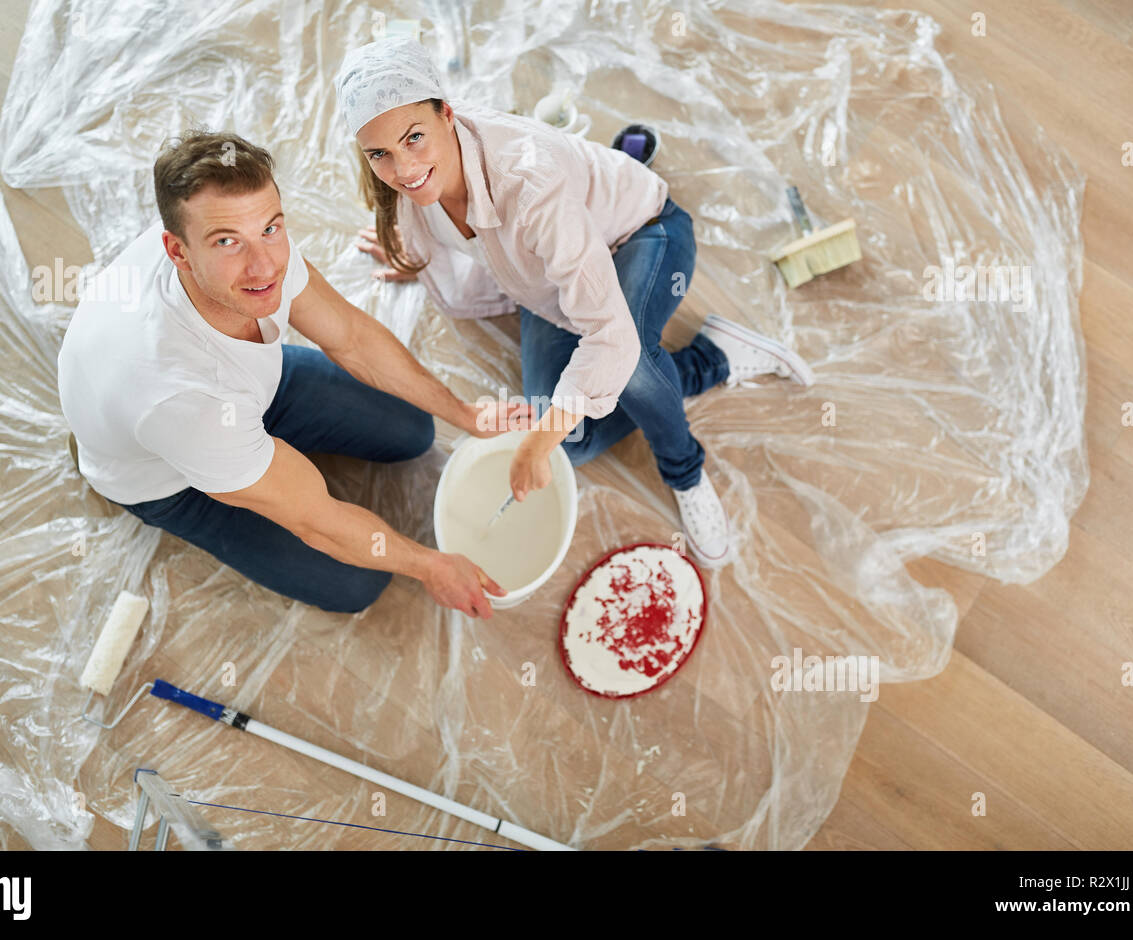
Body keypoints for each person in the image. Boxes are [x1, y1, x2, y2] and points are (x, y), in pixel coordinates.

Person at [336, 37, 814, 568]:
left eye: (414, 139)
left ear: (447, 114)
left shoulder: (528, 181)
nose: (403, 170)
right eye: (381, 154)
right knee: (572, 442)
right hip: (553, 286)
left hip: (641, 236)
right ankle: (711, 358)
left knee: (626, 367)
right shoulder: (408, 195)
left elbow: (609, 334)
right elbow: (429, 216)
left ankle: (684, 468)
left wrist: (534, 442)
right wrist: (413, 250)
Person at [57, 130, 531, 618]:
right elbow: (318, 522)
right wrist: (431, 565)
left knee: (412, 427)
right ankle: (115, 453)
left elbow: (350, 335)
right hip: (172, 473)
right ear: (177, 252)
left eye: (271, 227)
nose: (265, 266)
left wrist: (466, 413)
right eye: (227, 242)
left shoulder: (247, 251)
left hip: (244, 392)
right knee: (358, 582)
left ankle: (252, 444)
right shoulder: (182, 401)